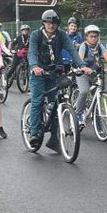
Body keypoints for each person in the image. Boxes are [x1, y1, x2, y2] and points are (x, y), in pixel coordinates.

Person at [27, 10, 87, 150]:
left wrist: (82, 65)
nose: (51, 25)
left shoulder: (61, 35)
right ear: (43, 23)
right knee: (38, 100)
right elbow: (32, 52)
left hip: (54, 72)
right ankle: (34, 134)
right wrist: (35, 66)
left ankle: (54, 139)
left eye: (54, 23)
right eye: (48, 22)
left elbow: (72, 50)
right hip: (39, 73)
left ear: (57, 24)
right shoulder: (36, 35)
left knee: (55, 103)